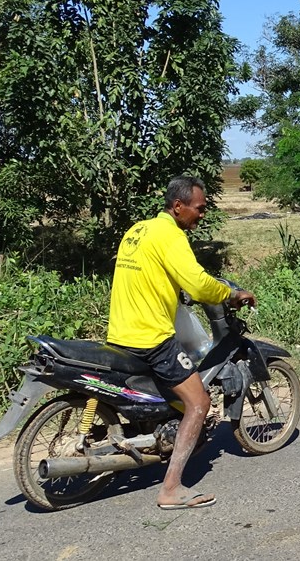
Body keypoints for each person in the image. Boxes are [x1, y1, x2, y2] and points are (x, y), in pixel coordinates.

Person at [107, 175, 256, 510]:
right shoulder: (170, 235)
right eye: (199, 209)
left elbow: (151, 273)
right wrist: (230, 294)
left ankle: (153, 440)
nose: (201, 215)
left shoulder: (138, 230)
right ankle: (171, 488)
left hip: (121, 331)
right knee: (199, 402)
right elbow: (200, 285)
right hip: (151, 336)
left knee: (167, 391)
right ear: (178, 207)